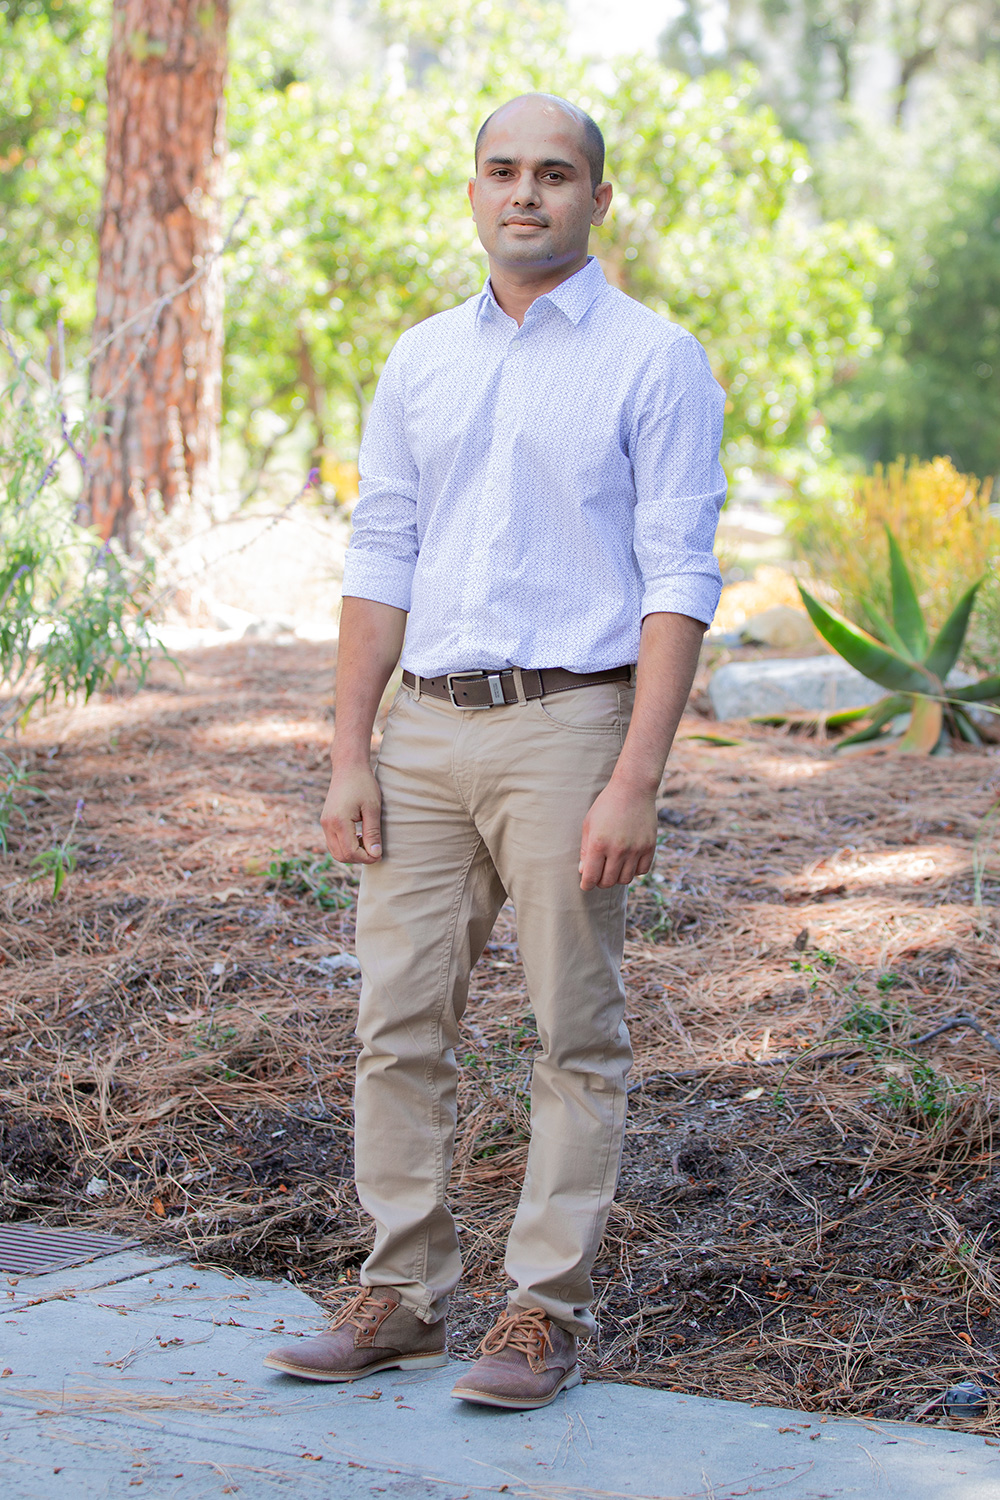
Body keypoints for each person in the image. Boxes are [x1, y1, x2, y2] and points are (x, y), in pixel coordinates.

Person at [264, 92, 726, 1410]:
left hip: (571, 728)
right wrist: (349, 751)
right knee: (397, 1022)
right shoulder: (421, 359)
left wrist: (635, 776)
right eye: (504, 170)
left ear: (598, 198)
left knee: (573, 1028)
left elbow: (678, 575)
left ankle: (541, 1311)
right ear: (473, 190)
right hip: (421, 731)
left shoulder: (655, 361)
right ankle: (403, 1295)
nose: (527, 192)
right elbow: (382, 554)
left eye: (556, 174)